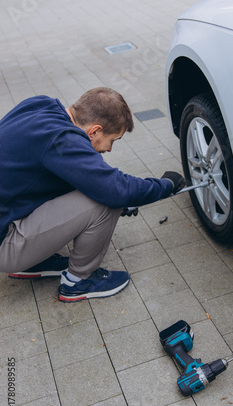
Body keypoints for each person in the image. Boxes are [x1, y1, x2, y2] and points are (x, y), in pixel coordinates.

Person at [0, 87, 185, 302]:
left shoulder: (40, 105)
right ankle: (79, 281)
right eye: (113, 140)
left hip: (7, 216)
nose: (110, 149)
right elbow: (116, 190)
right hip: (4, 243)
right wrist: (165, 185)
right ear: (94, 131)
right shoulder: (62, 139)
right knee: (105, 201)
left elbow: (54, 172)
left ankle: (33, 262)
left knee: (97, 188)